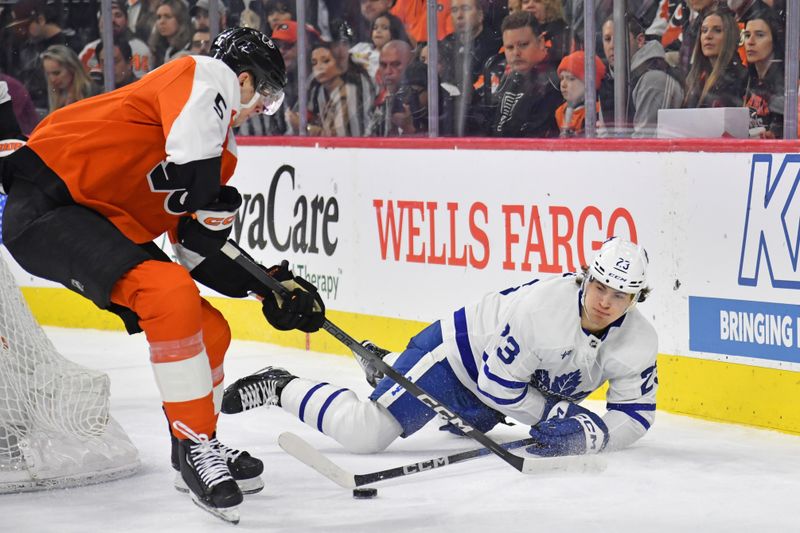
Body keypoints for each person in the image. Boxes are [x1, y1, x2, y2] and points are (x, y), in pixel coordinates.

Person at [0, 27, 325, 522]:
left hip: (103, 230)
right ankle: (198, 447)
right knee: (167, 290)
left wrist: (271, 288)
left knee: (209, 328)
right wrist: (206, 190)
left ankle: (191, 448)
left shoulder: (223, 157)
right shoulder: (200, 73)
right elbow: (193, 166)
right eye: (266, 93)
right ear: (242, 79)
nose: (264, 106)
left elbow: (196, 249)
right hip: (48, 203)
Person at [222, 237, 658, 460]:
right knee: (365, 434)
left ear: (636, 299)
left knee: (466, 417)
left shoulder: (638, 341)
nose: (605, 301)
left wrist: (594, 437)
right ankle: (281, 385)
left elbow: (636, 415)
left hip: (506, 389)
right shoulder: (540, 312)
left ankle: (388, 365)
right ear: (585, 277)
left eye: (619, 295)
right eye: (599, 286)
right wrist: (550, 418)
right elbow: (496, 384)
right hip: (455, 361)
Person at [599, 16, 684, 138]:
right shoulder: (609, 83)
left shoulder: (653, 79)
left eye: (619, 38)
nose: (611, 46)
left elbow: (644, 145)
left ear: (639, 41)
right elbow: (603, 141)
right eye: (607, 39)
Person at [480, 11, 561, 138]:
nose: (516, 53)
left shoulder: (557, 81)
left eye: (523, 45)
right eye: (510, 47)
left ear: (540, 42)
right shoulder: (505, 76)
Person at [682, 5, 747, 109]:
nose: (708, 36)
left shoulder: (738, 78)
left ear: (730, 36)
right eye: (704, 30)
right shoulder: (695, 78)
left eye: (717, 30)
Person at [78, 0, 153, 82]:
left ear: (126, 21)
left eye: (118, 15)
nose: (112, 20)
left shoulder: (140, 49)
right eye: (107, 15)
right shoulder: (88, 51)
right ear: (99, 22)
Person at [742, 8, 784, 138]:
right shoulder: (745, 79)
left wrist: (776, 133)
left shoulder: (786, 83)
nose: (750, 42)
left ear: (775, 40)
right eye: (747, 35)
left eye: (760, 35)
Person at [555, 51, 605, 138]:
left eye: (571, 79)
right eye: (562, 78)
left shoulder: (598, 112)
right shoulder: (559, 112)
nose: (563, 84)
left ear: (589, 83)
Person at [349, 11, 410, 81]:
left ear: (394, 32)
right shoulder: (362, 46)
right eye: (375, 28)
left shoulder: (389, 59)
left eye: (384, 28)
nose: (378, 31)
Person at [40, 45, 98, 113]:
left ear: (72, 68)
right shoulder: (55, 96)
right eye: (48, 74)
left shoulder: (93, 94)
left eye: (57, 73)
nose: (52, 79)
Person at [520, 0, 572, 67]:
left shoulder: (560, 33)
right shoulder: (516, 33)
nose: (530, 5)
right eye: (525, 2)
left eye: (537, 1)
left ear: (549, 6)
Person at [147, 0, 193, 68]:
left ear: (180, 20)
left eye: (168, 16)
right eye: (159, 17)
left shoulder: (189, 48)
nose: (161, 22)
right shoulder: (155, 50)